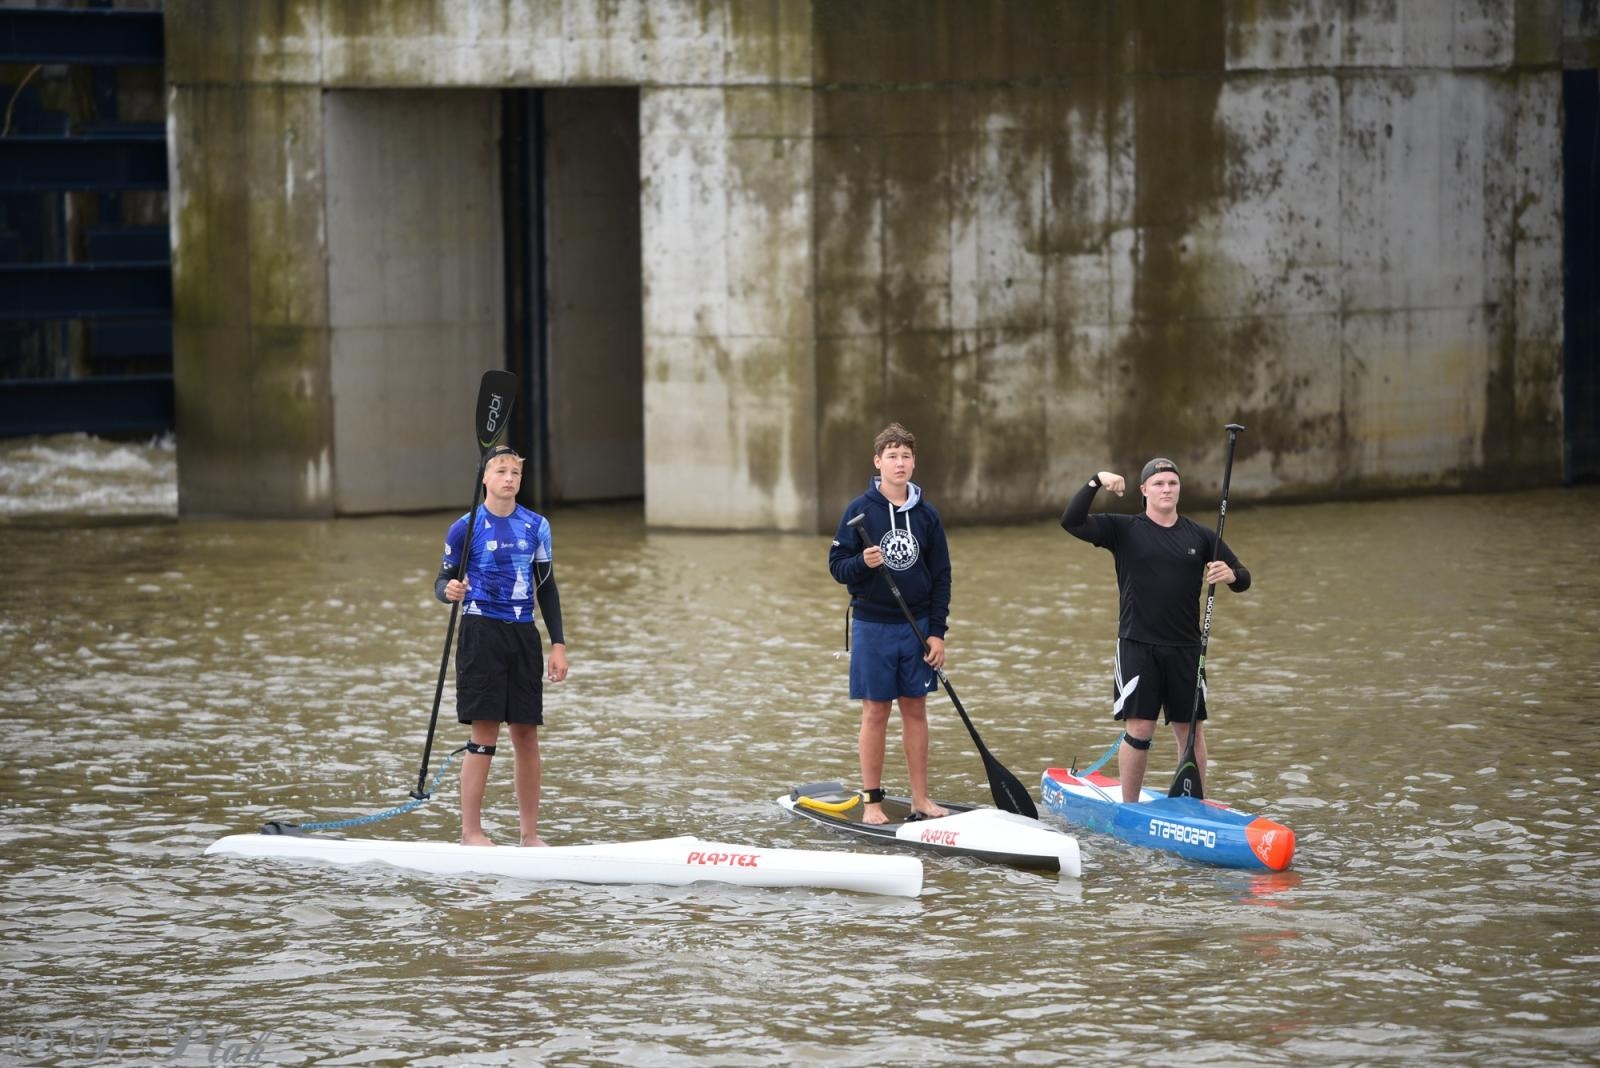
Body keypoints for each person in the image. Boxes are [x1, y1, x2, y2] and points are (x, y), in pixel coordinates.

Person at [1060, 457, 1251, 802]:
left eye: (1172, 483)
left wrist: (1232, 575)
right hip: (1138, 645)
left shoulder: (1201, 536)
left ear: (1179, 490)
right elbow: (1071, 521)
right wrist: (1096, 481)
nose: (1166, 489)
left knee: (1190, 731)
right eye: (1159, 483)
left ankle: (1194, 804)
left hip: (1187, 649)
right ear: (1144, 490)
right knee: (1140, 730)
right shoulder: (1123, 529)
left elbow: (1243, 577)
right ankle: (1129, 806)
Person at [435, 445, 568, 846]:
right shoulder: (466, 526)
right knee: (485, 732)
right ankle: (471, 832)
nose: (509, 478)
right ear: (485, 478)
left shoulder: (537, 525)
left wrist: (557, 644)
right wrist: (450, 591)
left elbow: (547, 588)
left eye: (515, 473)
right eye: (500, 471)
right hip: (481, 632)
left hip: (523, 633)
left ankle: (529, 835)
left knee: (527, 734)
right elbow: (442, 581)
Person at [827, 423, 953, 825]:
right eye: (892, 456)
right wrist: (861, 563)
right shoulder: (858, 512)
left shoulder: (927, 516)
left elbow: (942, 577)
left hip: (916, 628)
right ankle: (873, 804)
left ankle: (920, 799)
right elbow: (836, 567)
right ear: (878, 462)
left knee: (915, 710)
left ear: (914, 463)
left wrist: (937, 632)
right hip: (872, 626)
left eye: (906, 456)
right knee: (875, 712)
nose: (900, 463)